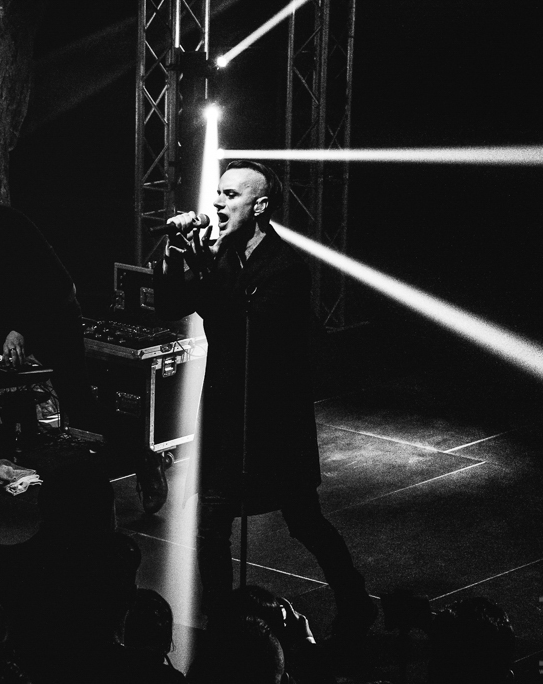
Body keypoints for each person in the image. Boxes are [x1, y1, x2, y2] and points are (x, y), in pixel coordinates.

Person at [153, 160, 375, 639]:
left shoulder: (284, 268)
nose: (218, 202)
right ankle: (222, 623)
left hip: (271, 420)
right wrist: (175, 254)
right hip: (227, 415)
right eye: (218, 192)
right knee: (211, 523)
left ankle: (355, 598)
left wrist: (205, 264)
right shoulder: (222, 254)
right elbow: (171, 305)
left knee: (304, 519)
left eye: (231, 195)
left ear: (260, 206)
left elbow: (242, 326)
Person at [0, 155, 168, 514]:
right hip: (15, 309)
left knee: (80, 404)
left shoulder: (9, 225)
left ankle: (143, 457)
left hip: (54, 311)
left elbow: (49, 285)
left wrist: (20, 330)